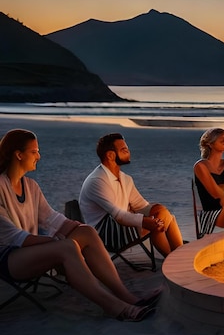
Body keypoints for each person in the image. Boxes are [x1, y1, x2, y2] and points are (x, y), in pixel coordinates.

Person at [0, 129, 157, 321]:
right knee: (67, 246)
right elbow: (13, 237)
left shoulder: (31, 186)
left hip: (31, 251)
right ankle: (116, 307)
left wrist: (76, 229)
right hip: (9, 258)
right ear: (18, 154)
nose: (39, 156)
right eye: (34, 152)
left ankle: (127, 296)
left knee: (87, 232)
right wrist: (56, 242)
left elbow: (51, 218)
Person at [79, 133, 183, 257]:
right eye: (124, 150)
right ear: (110, 155)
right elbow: (118, 215)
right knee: (160, 220)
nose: (128, 152)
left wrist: (157, 212)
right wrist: (146, 221)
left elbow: (141, 206)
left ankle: (177, 258)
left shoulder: (125, 178)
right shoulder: (97, 181)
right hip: (106, 234)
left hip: (123, 225)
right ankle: (174, 259)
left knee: (163, 213)